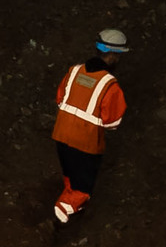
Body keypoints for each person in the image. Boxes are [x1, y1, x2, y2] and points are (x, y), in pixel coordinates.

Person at [50, 29, 131, 231]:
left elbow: (60, 99)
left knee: (70, 175)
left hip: (61, 135)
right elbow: (112, 122)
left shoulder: (74, 70)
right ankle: (59, 217)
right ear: (112, 55)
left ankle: (70, 205)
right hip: (85, 143)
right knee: (83, 187)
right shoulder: (110, 85)